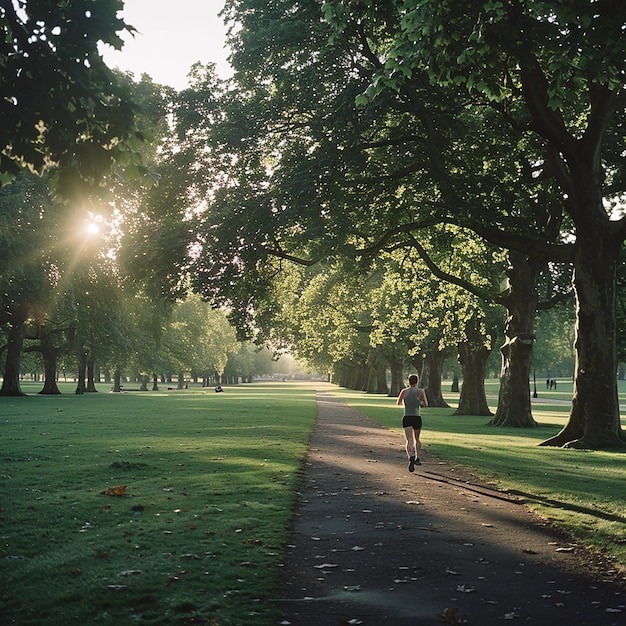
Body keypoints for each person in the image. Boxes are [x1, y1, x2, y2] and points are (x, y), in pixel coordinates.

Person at [397, 374, 428, 472]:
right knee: (417, 439)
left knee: (409, 440)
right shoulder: (420, 391)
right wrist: (418, 402)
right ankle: (417, 457)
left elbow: (399, 402)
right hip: (416, 417)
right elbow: (425, 404)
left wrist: (407, 402)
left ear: (408, 381)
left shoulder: (404, 391)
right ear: (417, 381)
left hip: (407, 417)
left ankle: (411, 456)